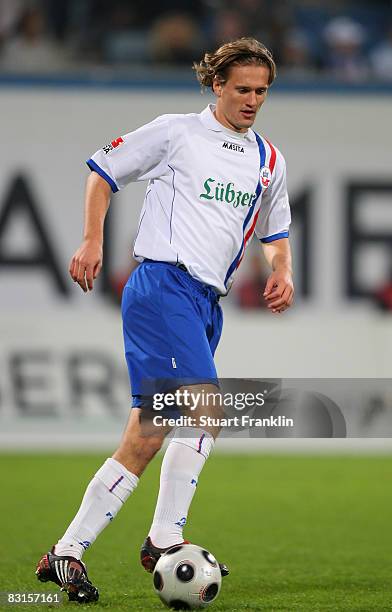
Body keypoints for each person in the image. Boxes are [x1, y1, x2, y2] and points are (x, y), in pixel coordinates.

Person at [35, 37, 294, 602]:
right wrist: (91, 239)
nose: (253, 100)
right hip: (163, 286)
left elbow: (275, 233)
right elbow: (103, 173)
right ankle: (163, 540)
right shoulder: (177, 132)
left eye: (262, 92)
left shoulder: (267, 160)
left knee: (147, 434)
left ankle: (66, 553)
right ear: (217, 84)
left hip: (205, 304)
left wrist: (282, 270)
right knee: (207, 410)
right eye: (243, 89)